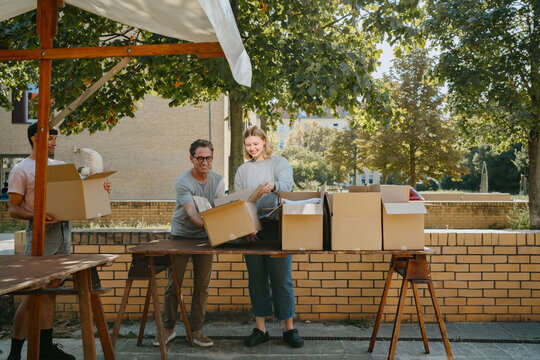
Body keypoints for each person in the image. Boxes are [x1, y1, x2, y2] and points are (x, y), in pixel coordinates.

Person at [6, 122, 111, 360]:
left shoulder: (61, 167)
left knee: (51, 292)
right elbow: (13, 209)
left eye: (55, 138)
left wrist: (101, 188)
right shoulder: (21, 169)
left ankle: (45, 348)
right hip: (42, 233)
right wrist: (37, 215)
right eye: (51, 138)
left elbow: (79, 195)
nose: (55, 143)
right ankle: (14, 353)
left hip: (64, 231)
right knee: (34, 293)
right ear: (35, 138)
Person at [234, 125, 304, 348]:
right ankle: (260, 329)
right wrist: (247, 229)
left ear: (264, 141)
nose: (252, 148)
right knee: (256, 279)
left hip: (277, 227)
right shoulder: (242, 170)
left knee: (282, 278)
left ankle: (289, 329)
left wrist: (273, 186)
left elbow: (287, 187)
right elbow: (239, 202)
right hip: (252, 229)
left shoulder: (279, 163)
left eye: (256, 143)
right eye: (248, 145)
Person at [154, 139, 225, 348]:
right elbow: (192, 213)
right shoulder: (183, 182)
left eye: (208, 158)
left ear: (212, 158)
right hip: (182, 236)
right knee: (174, 284)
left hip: (206, 239)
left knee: (202, 286)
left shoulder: (218, 180)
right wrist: (211, 226)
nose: (204, 162)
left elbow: (222, 209)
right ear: (191, 158)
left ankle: (196, 330)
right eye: (200, 158)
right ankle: (168, 328)